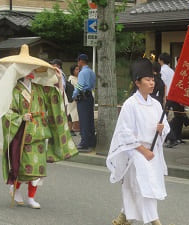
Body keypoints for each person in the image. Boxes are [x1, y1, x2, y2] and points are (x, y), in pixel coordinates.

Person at [0, 45, 78, 209]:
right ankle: (15, 189)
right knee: (23, 167)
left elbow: (55, 96)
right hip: (22, 132)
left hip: (39, 131)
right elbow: (7, 112)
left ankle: (31, 197)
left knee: (38, 168)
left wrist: (59, 79)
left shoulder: (39, 89)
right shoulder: (15, 91)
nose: (31, 73)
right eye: (28, 70)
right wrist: (20, 117)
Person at [107, 58, 170, 225]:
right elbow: (125, 133)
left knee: (135, 187)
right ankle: (155, 221)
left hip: (152, 151)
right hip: (136, 152)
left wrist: (161, 129)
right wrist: (143, 151)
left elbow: (166, 127)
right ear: (137, 82)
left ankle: (124, 216)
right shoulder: (130, 104)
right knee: (144, 186)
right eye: (147, 80)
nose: (151, 83)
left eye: (152, 80)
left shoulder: (156, 104)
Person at [72, 54, 96, 150]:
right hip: (89, 95)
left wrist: (74, 95)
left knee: (83, 119)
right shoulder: (91, 72)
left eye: (78, 61)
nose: (78, 63)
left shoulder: (82, 72)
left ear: (81, 61)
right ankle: (91, 140)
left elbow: (80, 86)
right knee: (90, 119)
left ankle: (84, 142)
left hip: (83, 97)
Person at [67, 64, 79, 135]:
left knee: (75, 114)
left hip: (78, 99)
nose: (78, 71)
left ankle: (74, 128)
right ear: (72, 71)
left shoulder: (78, 78)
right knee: (71, 114)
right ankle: (71, 129)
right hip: (73, 100)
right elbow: (71, 89)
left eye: (78, 69)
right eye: (76, 70)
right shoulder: (71, 79)